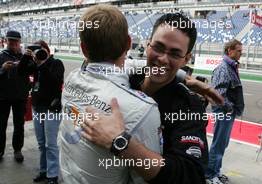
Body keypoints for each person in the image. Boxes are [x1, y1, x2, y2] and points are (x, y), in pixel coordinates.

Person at [81, 13, 224, 184]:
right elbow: (93, 66)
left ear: (187, 59)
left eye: (175, 53)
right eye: (158, 47)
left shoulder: (188, 106)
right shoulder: (125, 78)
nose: (163, 58)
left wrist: (120, 143)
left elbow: (190, 174)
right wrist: (183, 76)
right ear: (147, 46)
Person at [59, 5, 162, 184]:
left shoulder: (72, 79)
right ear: (129, 43)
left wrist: (182, 76)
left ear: (83, 49)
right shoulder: (143, 109)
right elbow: (147, 179)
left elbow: (121, 67)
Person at [17, 40, 65, 184]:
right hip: (38, 108)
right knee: (41, 143)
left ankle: (53, 176)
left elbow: (55, 82)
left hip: (52, 108)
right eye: (36, 50)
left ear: (47, 50)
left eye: (41, 49)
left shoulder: (56, 63)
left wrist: (43, 64)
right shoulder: (34, 64)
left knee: (50, 144)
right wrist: (26, 57)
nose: (40, 52)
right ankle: (44, 171)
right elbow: (20, 72)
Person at [205, 39, 244, 184]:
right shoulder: (223, 68)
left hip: (228, 112)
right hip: (224, 112)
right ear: (230, 51)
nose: (241, 53)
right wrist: (231, 108)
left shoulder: (230, 67)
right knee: (219, 144)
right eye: (239, 50)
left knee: (222, 144)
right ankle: (209, 175)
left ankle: (216, 171)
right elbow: (218, 95)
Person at [0, 30, 30, 162]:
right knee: (1, 125)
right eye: (10, 40)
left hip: (20, 97)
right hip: (2, 97)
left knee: (19, 125)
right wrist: (2, 69)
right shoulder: (1, 56)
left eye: (15, 41)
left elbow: (31, 74)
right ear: (6, 41)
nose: (12, 43)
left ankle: (17, 149)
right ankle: (0, 150)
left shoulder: (25, 57)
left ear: (19, 42)